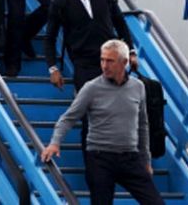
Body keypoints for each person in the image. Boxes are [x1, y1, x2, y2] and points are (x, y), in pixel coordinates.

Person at [41, 40, 164, 205]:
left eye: (110, 61)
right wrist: (54, 143)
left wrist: (146, 161)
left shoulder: (138, 87)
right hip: (100, 158)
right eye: (102, 60)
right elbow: (68, 118)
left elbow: (142, 126)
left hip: (130, 158)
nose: (104, 65)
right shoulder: (91, 88)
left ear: (124, 62)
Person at [44, 0, 138, 154]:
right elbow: (50, 38)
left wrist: (131, 51)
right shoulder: (61, 2)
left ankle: (122, 153)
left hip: (113, 61)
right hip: (84, 64)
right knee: (90, 114)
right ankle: (93, 160)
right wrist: (53, 68)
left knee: (120, 108)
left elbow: (120, 23)